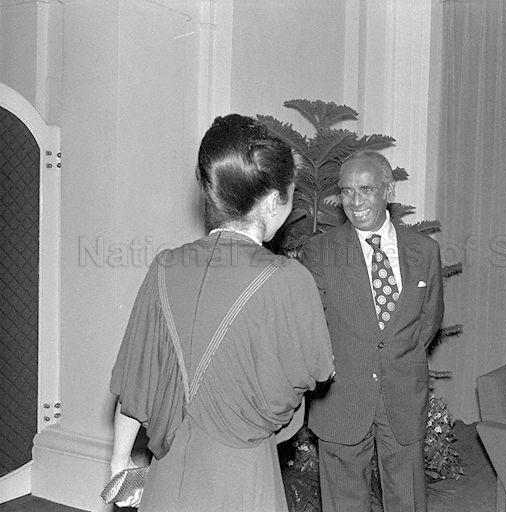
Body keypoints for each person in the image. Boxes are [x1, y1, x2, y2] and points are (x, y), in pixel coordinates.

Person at [107, 114, 335, 511]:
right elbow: (316, 372)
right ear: (269, 203)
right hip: (243, 478)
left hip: (167, 475)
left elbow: (134, 383)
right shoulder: (288, 279)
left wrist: (119, 463)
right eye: (290, 196)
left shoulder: (165, 267)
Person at [300, 150, 444, 512]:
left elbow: (428, 322)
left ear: (388, 191)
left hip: (403, 395)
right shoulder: (320, 252)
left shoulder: (425, 251)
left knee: (407, 500)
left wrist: (395, 356)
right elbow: (312, 326)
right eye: (346, 192)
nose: (355, 201)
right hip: (342, 398)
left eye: (365, 189)